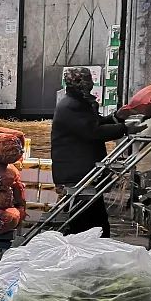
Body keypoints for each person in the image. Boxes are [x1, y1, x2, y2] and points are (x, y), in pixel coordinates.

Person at [51, 67, 140, 238]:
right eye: (87, 81)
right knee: (85, 223)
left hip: (83, 174)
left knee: (94, 221)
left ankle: (92, 253)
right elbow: (93, 131)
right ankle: (81, 254)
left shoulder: (79, 103)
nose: (90, 85)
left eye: (90, 81)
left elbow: (97, 123)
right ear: (77, 84)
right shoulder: (71, 106)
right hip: (77, 177)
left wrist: (117, 117)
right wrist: (124, 128)